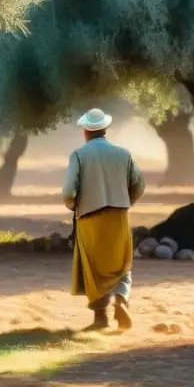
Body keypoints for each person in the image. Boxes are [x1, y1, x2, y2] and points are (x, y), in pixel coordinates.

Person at [62, 108, 145, 331]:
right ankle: (121, 299)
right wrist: (126, 201)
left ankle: (101, 319)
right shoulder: (123, 154)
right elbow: (139, 184)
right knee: (121, 264)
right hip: (119, 216)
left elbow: (68, 191)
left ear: (85, 132)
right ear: (105, 129)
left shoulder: (79, 155)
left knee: (93, 268)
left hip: (90, 218)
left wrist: (74, 205)